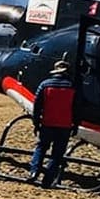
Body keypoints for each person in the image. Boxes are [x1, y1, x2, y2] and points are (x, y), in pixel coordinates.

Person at [28, 59, 77, 188]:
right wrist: (76, 125)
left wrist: (36, 122)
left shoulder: (45, 85)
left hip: (47, 123)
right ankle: (48, 180)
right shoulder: (73, 86)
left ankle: (34, 172)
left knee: (41, 147)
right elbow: (78, 108)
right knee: (57, 154)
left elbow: (37, 105)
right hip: (65, 125)